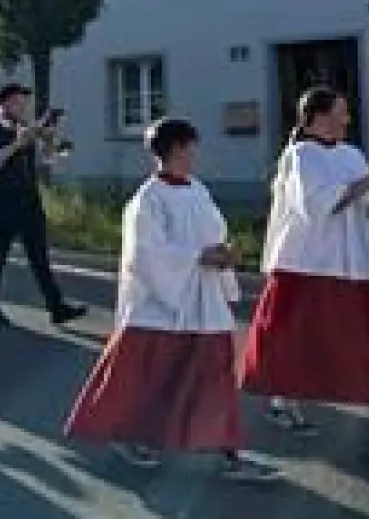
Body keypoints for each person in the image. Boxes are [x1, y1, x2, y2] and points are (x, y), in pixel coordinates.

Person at [65, 118, 280, 482]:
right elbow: (146, 254)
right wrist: (199, 256)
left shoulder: (197, 189)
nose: (196, 152)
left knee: (214, 377)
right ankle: (127, 433)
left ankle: (230, 453)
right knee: (147, 378)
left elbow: (213, 230)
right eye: (192, 145)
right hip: (162, 307)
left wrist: (224, 253)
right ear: (178, 148)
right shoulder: (147, 199)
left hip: (202, 302)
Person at [240, 86, 369, 448]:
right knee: (301, 339)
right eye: (341, 112)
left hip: (360, 262)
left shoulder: (352, 154)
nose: (347, 119)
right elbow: (320, 206)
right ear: (319, 117)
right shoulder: (300, 156)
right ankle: (282, 399)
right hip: (312, 263)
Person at [0, 83, 87, 326]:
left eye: (23, 103)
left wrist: (49, 139)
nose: (21, 107)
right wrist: (18, 143)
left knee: (39, 255)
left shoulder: (25, 128)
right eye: (16, 102)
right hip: (2, 199)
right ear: (2, 103)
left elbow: (49, 159)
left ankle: (57, 307)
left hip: (28, 198)